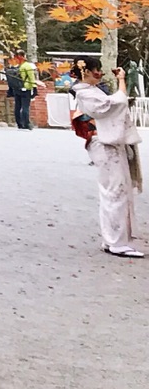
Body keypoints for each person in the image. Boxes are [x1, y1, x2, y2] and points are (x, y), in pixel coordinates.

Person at [71, 63, 142, 258]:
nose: (100, 73)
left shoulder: (92, 91)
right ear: (84, 72)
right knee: (114, 191)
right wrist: (121, 81)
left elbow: (114, 103)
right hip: (103, 143)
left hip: (107, 143)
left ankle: (113, 239)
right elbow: (114, 105)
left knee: (116, 190)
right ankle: (116, 241)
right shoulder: (84, 93)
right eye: (96, 70)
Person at [6, 53, 39, 130]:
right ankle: (26, 123)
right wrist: (34, 88)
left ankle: (19, 123)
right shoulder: (27, 66)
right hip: (26, 88)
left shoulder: (15, 66)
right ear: (24, 56)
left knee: (17, 106)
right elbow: (31, 78)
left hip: (16, 88)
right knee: (25, 107)